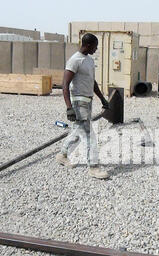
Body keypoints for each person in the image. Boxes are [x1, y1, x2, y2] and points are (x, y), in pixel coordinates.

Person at [56, 33, 110, 180]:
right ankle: (93, 167)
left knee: (78, 130)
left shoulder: (89, 61)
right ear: (87, 45)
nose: (96, 48)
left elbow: (93, 83)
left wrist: (103, 99)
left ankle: (62, 154)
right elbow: (65, 85)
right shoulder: (75, 60)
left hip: (88, 100)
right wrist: (69, 107)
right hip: (78, 101)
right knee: (89, 134)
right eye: (95, 46)